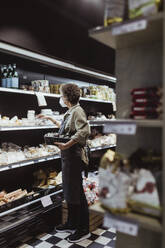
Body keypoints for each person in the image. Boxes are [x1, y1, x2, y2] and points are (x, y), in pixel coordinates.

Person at [39, 83, 91, 243]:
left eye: (62, 95)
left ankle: (83, 229)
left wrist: (66, 145)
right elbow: (65, 131)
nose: (61, 98)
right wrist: (50, 119)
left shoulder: (78, 111)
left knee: (78, 193)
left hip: (75, 158)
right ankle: (72, 222)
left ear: (67, 97)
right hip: (68, 158)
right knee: (70, 192)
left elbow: (84, 131)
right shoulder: (70, 112)